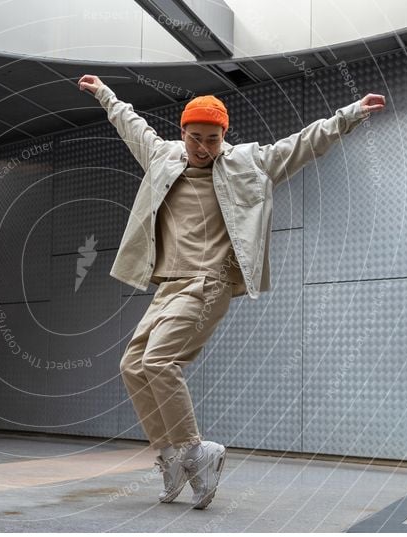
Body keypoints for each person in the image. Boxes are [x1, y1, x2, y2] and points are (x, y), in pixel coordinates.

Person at [78, 73, 386, 510]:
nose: (203, 147)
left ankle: (195, 453)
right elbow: (131, 125)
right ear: (182, 133)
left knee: (160, 360)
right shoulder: (162, 156)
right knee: (132, 364)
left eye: (212, 138)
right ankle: (170, 456)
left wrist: (349, 114)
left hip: (209, 282)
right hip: (168, 285)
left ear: (224, 135)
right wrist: (105, 94)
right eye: (195, 138)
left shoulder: (248, 163)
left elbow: (302, 144)